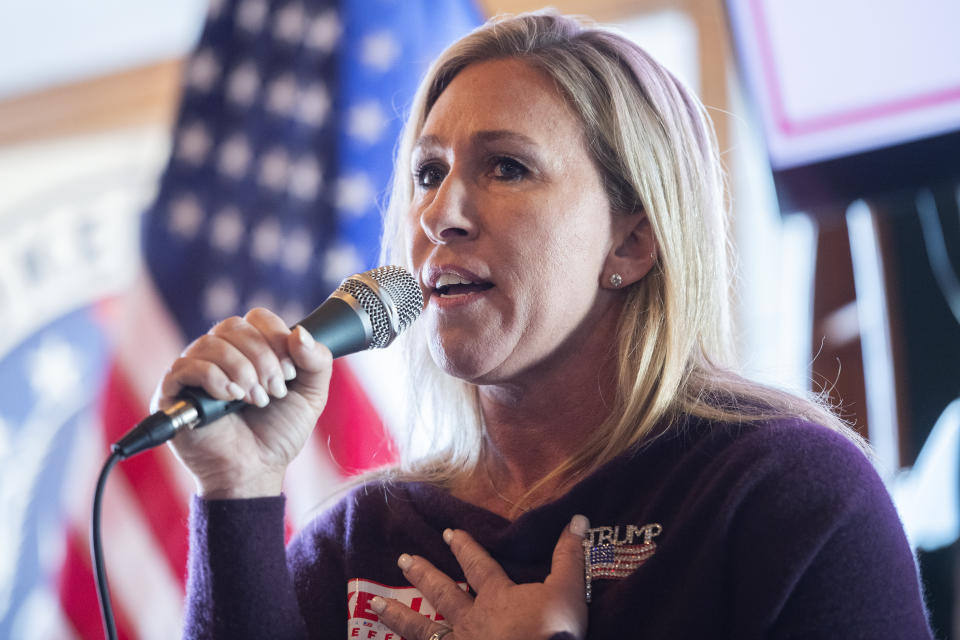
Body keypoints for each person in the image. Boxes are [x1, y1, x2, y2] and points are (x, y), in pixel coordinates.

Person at [157, 11, 934, 640]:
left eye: (506, 167)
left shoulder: (784, 495)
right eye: (429, 173)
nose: (438, 213)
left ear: (632, 240)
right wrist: (239, 490)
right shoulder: (361, 537)